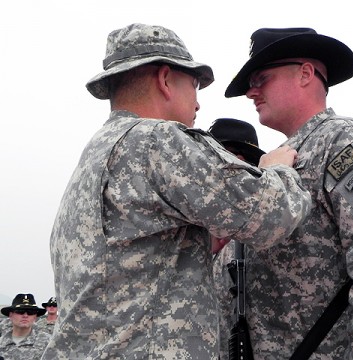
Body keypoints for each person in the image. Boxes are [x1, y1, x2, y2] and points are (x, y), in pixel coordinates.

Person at [42, 23, 311, 359]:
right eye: (195, 84)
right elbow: (273, 214)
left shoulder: (96, 155)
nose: (198, 103)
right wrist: (276, 169)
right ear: (165, 79)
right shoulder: (157, 141)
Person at [216, 27, 353, 359]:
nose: (251, 93)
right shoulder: (276, 162)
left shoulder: (342, 144)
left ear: (306, 74)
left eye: (260, 79)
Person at [0, 294, 50, 359]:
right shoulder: (1, 343)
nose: (25, 315)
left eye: (30, 312)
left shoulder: (48, 342)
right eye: (20, 311)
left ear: (35, 317)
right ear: (11, 315)